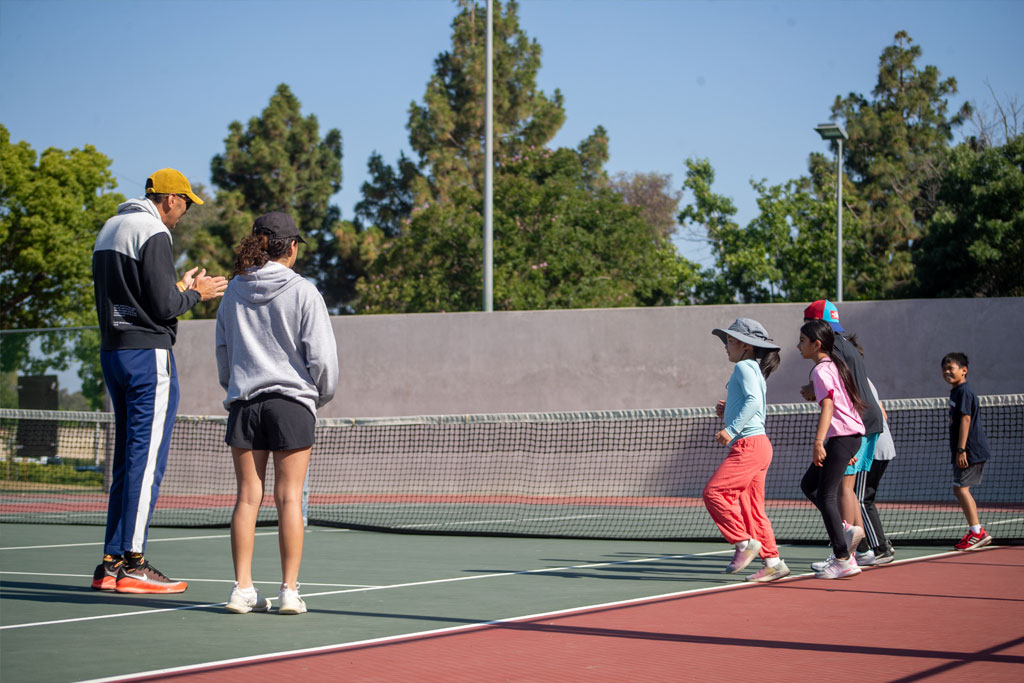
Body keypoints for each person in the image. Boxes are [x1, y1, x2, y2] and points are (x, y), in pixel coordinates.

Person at [91, 168, 227, 593]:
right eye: (185, 201)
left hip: (113, 353)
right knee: (146, 460)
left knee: (126, 461)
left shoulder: (110, 229)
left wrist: (176, 288)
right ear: (168, 198)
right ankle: (133, 563)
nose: (185, 210)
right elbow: (166, 305)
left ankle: (111, 562)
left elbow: (138, 297)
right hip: (148, 357)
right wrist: (196, 293)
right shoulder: (154, 231)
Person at [216, 211, 338, 615]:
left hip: (244, 404)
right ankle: (289, 592)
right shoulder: (305, 291)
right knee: (290, 499)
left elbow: (223, 351)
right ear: (293, 246)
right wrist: (316, 397)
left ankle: (242, 590)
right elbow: (322, 358)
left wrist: (234, 386)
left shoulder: (233, 290)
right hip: (291, 405)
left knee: (247, 499)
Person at [703, 318, 790, 583]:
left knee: (714, 493)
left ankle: (743, 543)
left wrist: (730, 430)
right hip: (759, 445)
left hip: (749, 446)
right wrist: (727, 412)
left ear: (745, 345)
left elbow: (753, 401)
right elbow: (752, 403)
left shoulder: (743, 366)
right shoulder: (752, 367)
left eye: (730, 341)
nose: (726, 347)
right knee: (753, 509)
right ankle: (773, 562)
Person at [801, 301, 884, 561]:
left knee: (842, 490)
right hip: (860, 423)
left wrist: (824, 441)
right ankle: (862, 549)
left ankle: (849, 551)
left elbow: (831, 396)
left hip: (854, 424)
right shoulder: (844, 343)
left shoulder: (831, 348)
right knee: (838, 489)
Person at [797, 320, 866, 579]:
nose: (798, 345)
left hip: (843, 437)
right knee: (809, 485)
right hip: (847, 438)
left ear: (817, 344)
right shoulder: (833, 366)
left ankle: (843, 559)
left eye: (803, 341)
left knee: (826, 495)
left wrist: (818, 443)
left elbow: (828, 406)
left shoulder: (821, 371)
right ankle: (844, 529)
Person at [845, 336, 896, 566]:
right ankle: (868, 546)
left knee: (862, 499)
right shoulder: (864, 382)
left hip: (872, 448)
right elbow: (882, 414)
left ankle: (880, 548)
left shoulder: (856, 382)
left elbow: (876, 416)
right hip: (877, 446)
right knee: (860, 497)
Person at [941, 352, 993, 551]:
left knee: (962, 489)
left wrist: (961, 449)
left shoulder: (964, 391)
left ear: (964, 370)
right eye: (944, 369)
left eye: (951, 368)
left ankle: (977, 532)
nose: (947, 372)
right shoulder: (956, 392)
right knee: (959, 488)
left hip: (970, 450)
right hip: (964, 450)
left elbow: (965, 419)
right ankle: (976, 530)